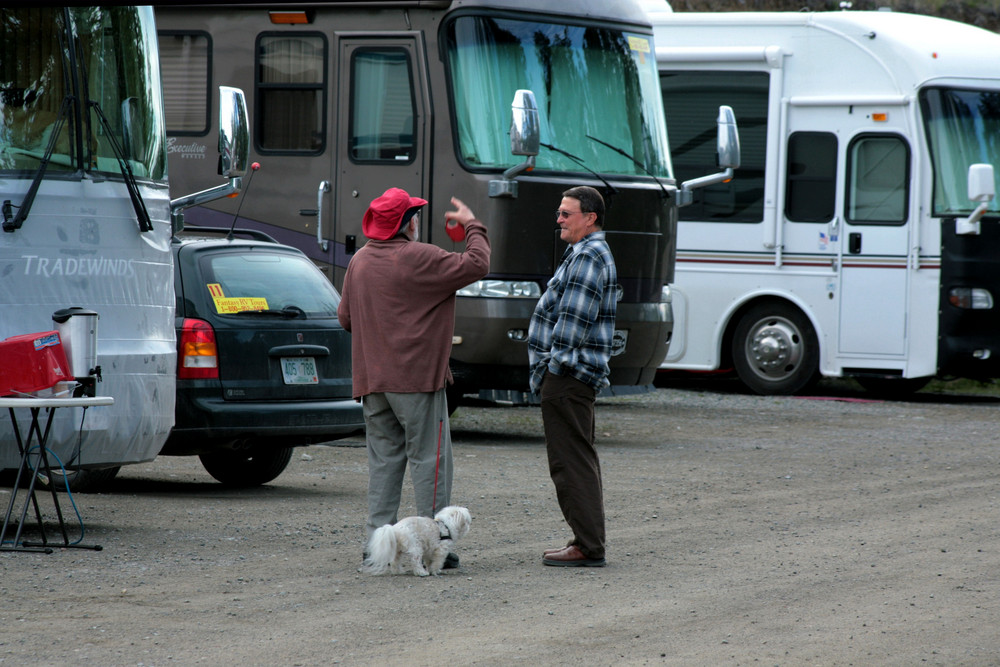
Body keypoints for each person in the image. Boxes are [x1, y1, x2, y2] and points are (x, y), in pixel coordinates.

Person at [337, 187, 490, 569]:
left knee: (384, 463)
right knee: (430, 462)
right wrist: (472, 224)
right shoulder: (419, 256)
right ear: (407, 224)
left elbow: (345, 319)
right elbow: (477, 263)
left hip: (373, 381)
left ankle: (377, 545)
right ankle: (436, 540)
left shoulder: (359, 261)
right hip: (417, 379)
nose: (418, 220)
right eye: (414, 215)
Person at [527, 185, 617, 568]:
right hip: (572, 377)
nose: (559, 219)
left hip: (567, 377)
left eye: (567, 213)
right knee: (578, 457)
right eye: (559, 212)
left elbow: (572, 322)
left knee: (570, 461)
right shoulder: (587, 254)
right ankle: (587, 541)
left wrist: (553, 366)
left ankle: (587, 546)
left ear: (589, 218)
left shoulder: (588, 257)